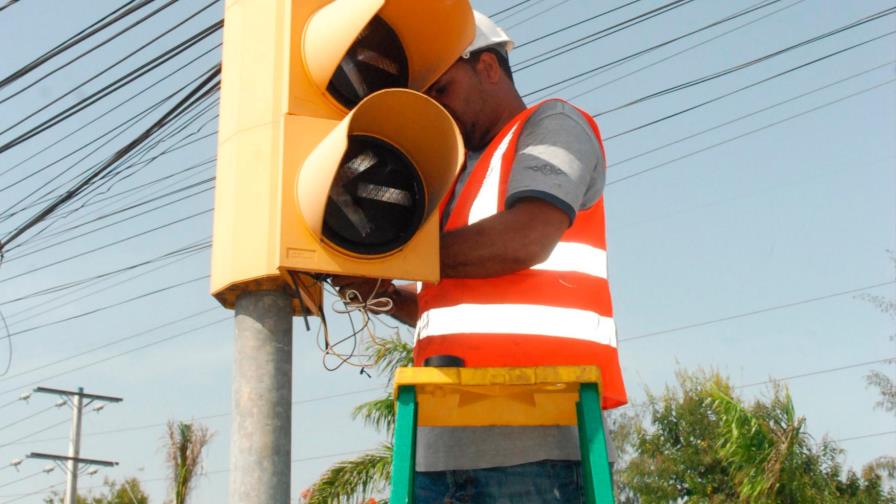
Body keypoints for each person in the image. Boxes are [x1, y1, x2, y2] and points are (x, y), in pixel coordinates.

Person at [335, 10, 626, 503]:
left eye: (442, 89)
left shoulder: (555, 124)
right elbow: (455, 307)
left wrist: (397, 256)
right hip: (437, 452)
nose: (436, 107)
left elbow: (527, 238)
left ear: (487, 67)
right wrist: (384, 294)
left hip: (541, 448)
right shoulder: (449, 176)